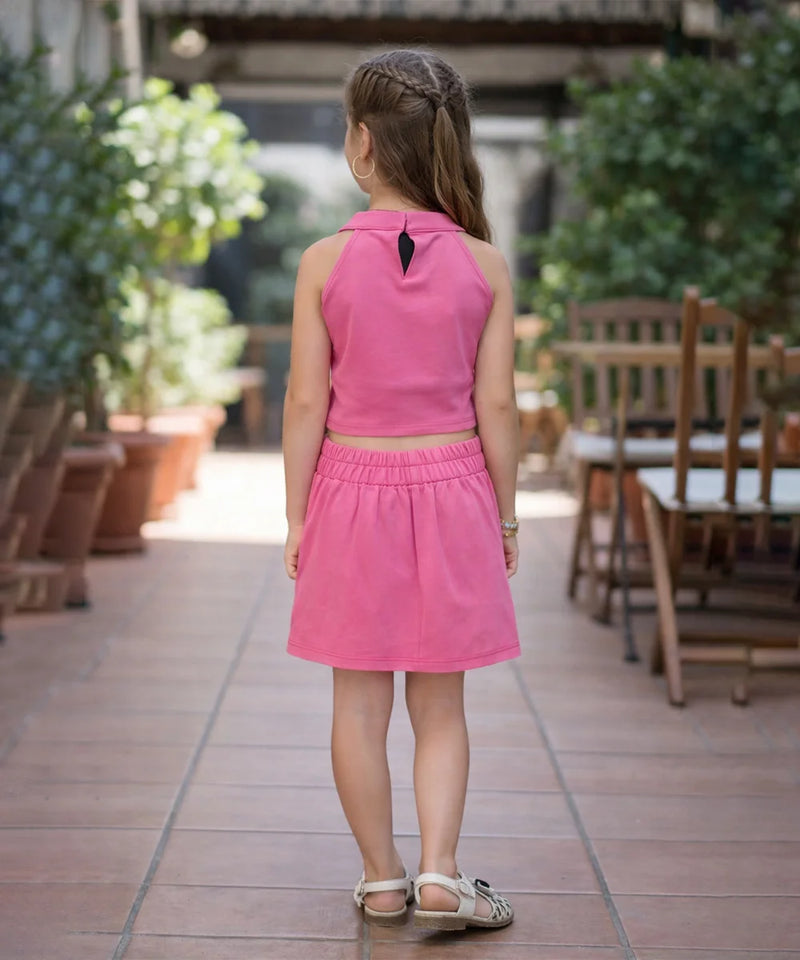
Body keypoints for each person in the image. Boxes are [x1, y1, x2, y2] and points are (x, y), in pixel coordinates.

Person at [283, 48, 520, 932]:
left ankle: (381, 878)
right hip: (455, 485)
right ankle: (442, 870)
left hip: (350, 488)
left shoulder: (322, 261)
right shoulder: (488, 267)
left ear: (362, 147)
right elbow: (495, 404)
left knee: (357, 701)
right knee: (441, 703)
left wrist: (299, 512)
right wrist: (505, 511)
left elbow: (306, 398)